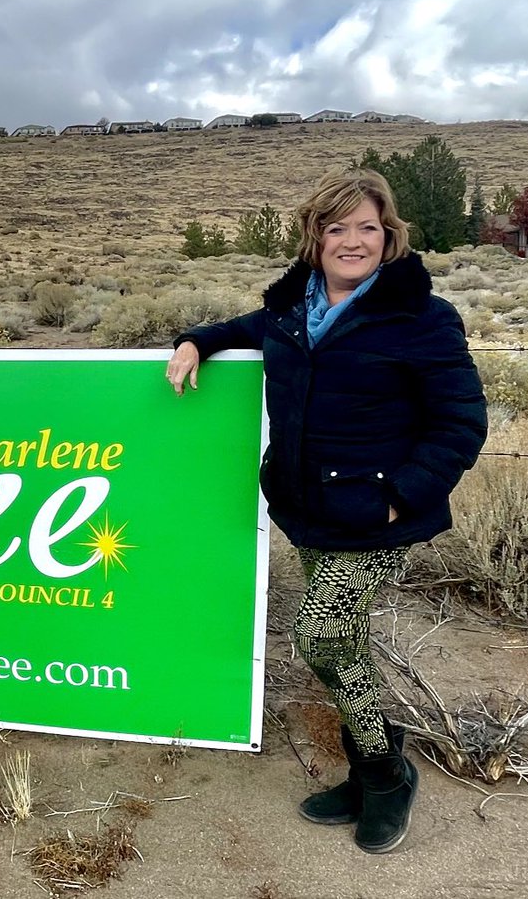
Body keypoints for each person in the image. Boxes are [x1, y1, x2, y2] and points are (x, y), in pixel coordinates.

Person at [166, 168, 487, 854]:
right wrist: (196, 340)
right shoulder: (290, 310)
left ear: (389, 235)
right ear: (315, 238)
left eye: (367, 227)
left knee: (318, 636)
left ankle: (386, 774)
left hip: (377, 516)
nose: (353, 241)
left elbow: (461, 421)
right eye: (336, 228)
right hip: (308, 507)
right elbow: (238, 328)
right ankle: (370, 770)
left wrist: (402, 496)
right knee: (345, 645)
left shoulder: (421, 317)